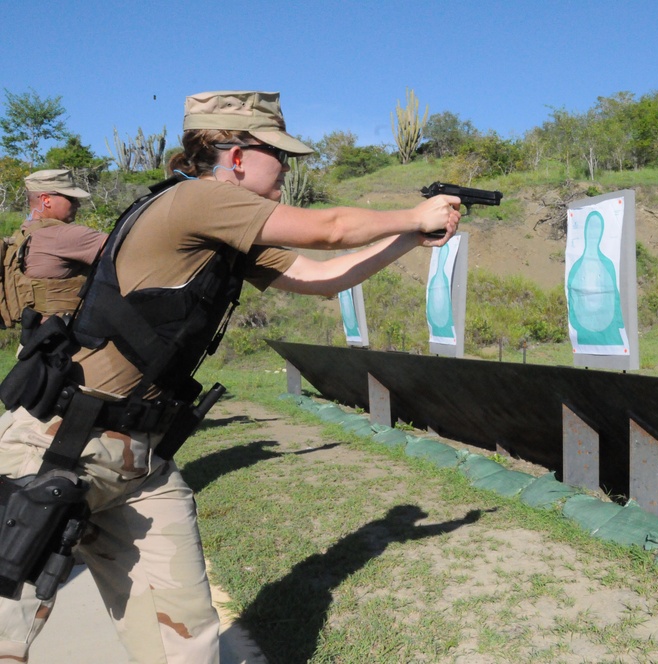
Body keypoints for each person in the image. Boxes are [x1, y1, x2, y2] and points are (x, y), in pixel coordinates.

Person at [0, 90, 460, 662]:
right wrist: (417, 212)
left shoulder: (222, 228)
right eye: (279, 156)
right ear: (236, 155)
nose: (287, 169)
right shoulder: (198, 200)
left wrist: (409, 239)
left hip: (138, 460)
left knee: (185, 642)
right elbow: (332, 229)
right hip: (57, 447)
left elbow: (324, 276)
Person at [18, 169, 107, 320]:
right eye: (71, 198)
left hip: (35, 334)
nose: (78, 204)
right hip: (68, 335)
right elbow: (127, 248)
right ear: (46, 200)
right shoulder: (62, 235)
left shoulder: (25, 231)